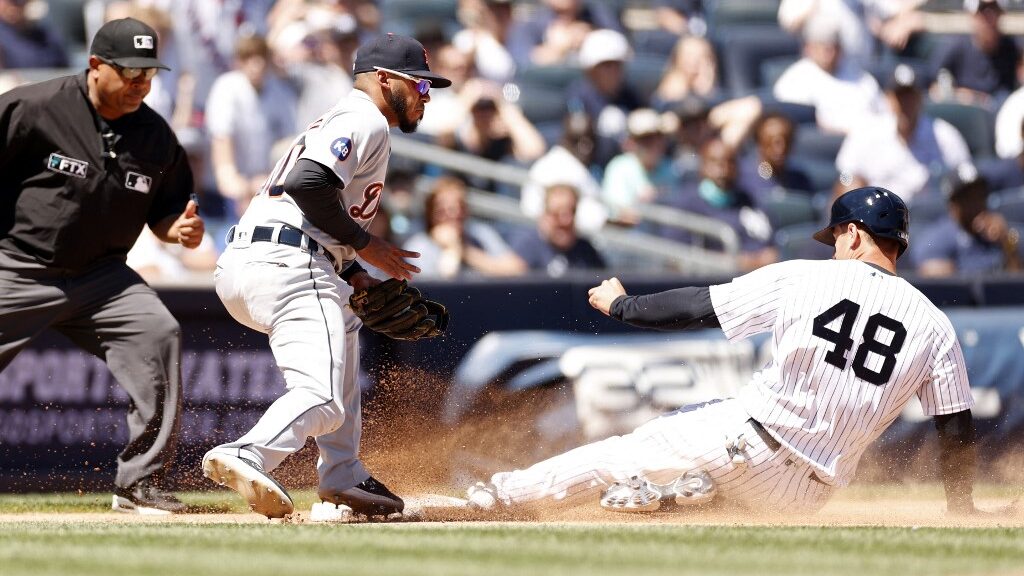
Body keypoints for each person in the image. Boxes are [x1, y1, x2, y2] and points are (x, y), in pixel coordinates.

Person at [467, 186, 980, 517]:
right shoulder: (935, 325)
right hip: (807, 498)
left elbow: (697, 306)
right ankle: (686, 494)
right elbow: (954, 426)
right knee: (706, 510)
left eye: (836, 236)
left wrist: (623, 304)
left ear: (853, 233)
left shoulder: (805, 277)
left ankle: (500, 495)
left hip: (748, 442)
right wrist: (962, 506)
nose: (832, 246)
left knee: (618, 456)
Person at [201, 33, 451, 520]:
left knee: (348, 322)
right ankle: (250, 452)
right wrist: (367, 245)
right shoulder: (365, 119)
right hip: (291, 265)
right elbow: (307, 182)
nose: (426, 95)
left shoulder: (345, 118)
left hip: (255, 261)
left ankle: (342, 472)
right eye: (418, 85)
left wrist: (355, 272)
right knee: (322, 397)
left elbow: (310, 204)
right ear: (384, 80)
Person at [0, 18, 203, 514]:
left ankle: (140, 484)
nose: (141, 85)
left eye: (149, 74)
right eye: (131, 73)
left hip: (101, 279)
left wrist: (177, 228)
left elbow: (166, 209)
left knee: (158, 333)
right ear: (95, 66)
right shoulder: (35, 107)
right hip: (19, 267)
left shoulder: (154, 136)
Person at [836, 64, 970, 203]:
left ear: (920, 98)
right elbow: (845, 176)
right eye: (900, 97)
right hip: (879, 215)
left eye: (910, 96)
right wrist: (853, 185)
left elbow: (966, 176)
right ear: (888, 99)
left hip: (930, 216)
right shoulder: (866, 132)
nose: (906, 104)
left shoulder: (944, 135)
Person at [402, 175, 526, 279]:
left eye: (459, 207)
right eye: (444, 209)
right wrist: (451, 249)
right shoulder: (417, 247)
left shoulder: (481, 233)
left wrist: (464, 251)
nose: (454, 214)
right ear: (430, 212)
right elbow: (439, 288)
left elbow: (517, 270)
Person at [912, 165, 1021, 277]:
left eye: (979, 195)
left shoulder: (996, 231)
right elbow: (937, 281)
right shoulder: (938, 237)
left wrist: (1006, 241)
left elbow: (1016, 285)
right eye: (968, 198)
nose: (976, 203)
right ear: (953, 204)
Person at [929, 0, 1020, 109]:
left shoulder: (1013, 49)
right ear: (972, 16)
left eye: (994, 10)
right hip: (965, 117)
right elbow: (932, 88)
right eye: (983, 12)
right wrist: (962, 96)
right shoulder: (957, 48)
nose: (989, 18)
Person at [509, 183, 605, 276]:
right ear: (544, 215)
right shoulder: (529, 246)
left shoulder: (586, 251)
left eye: (571, 212)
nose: (566, 221)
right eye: (557, 213)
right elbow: (509, 271)